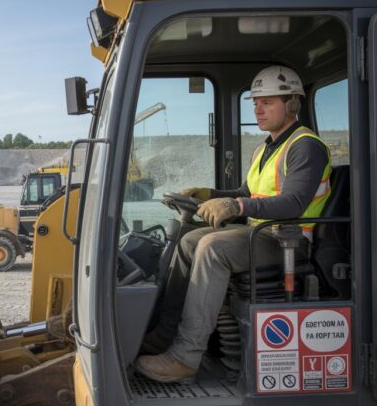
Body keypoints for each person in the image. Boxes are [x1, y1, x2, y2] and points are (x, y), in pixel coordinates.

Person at [134, 66, 332, 383]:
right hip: (260, 234)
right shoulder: (266, 147)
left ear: (292, 104)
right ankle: (165, 333)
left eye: (267, 101)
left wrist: (235, 205)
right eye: (255, 102)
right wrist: (211, 194)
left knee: (213, 247)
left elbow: (293, 202)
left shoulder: (305, 146)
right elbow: (246, 193)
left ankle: (185, 357)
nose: (257, 108)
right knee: (188, 241)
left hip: (289, 241)